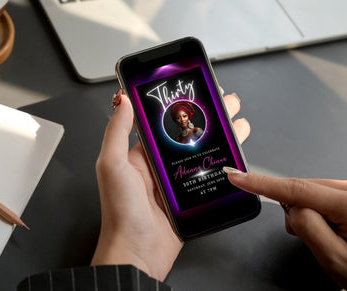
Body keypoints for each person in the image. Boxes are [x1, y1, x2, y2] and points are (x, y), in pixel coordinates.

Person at [18, 90, 347, 290]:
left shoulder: (198, 127)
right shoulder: (182, 130)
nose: (184, 118)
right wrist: (134, 257)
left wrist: (130, 259)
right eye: (180, 116)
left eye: (186, 114)